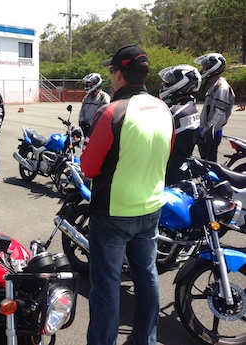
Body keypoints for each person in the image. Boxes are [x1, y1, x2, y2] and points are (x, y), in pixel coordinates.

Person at [80, 44, 175, 345]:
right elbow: (167, 153)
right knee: (147, 277)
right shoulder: (163, 108)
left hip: (113, 213)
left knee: (106, 286)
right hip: (150, 209)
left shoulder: (112, 112)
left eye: (112, 71)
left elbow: (89, 167)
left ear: (119, 75)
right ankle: (145, 339)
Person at [158, 64, 202, 185]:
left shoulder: (177, 111)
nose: (165, 85)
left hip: (170, 172)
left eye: (171, 81)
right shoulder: (190, 105)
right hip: (182, 166)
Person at [195, 53, 235, 162]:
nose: (203, 69)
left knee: (210, 166)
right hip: (206, 132)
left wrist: (205, 133)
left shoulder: (222, 87)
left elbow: (219, 114)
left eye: (205, 66)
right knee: (206, 165)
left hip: (211, 134)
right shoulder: (215, 85)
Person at [78, 73, 111, 137]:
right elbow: (82, 111)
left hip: (97, 130)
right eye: (87, 83)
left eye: (90, 83)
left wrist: (90, 124)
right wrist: (81, 122)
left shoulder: (103, 97)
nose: (88, 85)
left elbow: (102, 115)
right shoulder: (86, 98)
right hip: (86, 130)